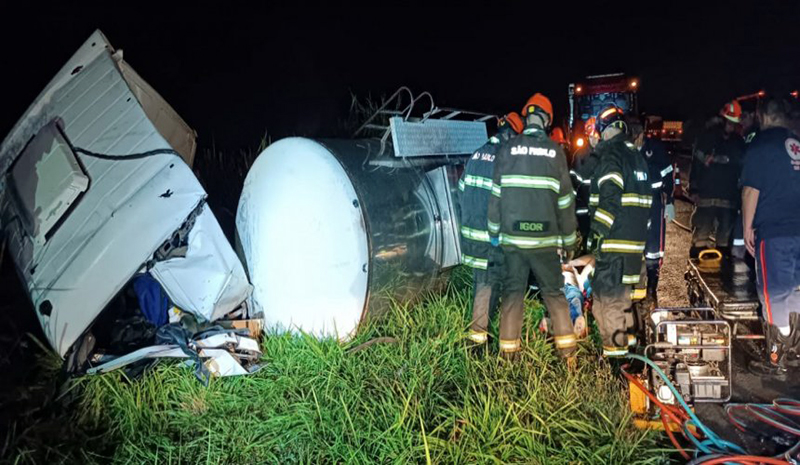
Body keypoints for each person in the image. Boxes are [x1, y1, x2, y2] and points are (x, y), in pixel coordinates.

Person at [487, 93, 578, 362]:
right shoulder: (555, 153)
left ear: (526, 117)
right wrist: (569, 242)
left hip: (513, 243)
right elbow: (565, 203)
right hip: (545, 243)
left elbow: (496, 198)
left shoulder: (506, 150)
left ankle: (508, 359)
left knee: (512, 296)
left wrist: (494, 233)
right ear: (547, 120)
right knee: (555, 296)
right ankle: (568, 358)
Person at [741, 97, 800, 377]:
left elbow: (751, 191)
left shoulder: (761, 145)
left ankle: (776, 358)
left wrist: (747, 228)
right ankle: (795, 351)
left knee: (773, 293)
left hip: (775, 232)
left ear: (763, 117)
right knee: (796, 291)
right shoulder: (798, 144)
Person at [587, 105, 652, 357]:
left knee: (609, 306)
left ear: (604, 129)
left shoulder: (611, 156)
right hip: (634, 250)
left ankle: (618, 367)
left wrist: (595, 236)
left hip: (614, 248)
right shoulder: (636, 156)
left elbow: (609, 201)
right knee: (627, 305)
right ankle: (633, 354)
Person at [460, 113, 524, 349]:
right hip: (494, 240)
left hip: (473, 238)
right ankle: (509, 349)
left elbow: (461, 189)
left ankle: (477, 342)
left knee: (484, 286)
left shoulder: (477, 154)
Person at [689, 101, 745, 258]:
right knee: (701, 236)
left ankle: (722, 275)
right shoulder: (707, 137)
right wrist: (694, 189)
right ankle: (696, 270)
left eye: (734, 123)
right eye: (729, 122)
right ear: (722, 120)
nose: (731, 126)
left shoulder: (738, 142)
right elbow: (696, 164)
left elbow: (741, 167)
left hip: (728, 197)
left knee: (724, 241)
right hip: (706, 194)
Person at [629, 118, 675, 307]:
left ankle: (651, 290)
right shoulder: (625, 152)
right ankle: (633, 290)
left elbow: (668, 175)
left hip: (654, 204)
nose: (635, 141)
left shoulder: (655, 150)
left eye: (637, 136)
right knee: (632, 248)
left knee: (653, 250)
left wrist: (670, 200)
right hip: (631, 206)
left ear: (642, 134)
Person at [570, 117, 601, 249]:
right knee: (586, 244)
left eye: (597, 137)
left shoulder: (607, 155)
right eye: (592, 137)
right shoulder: (579, 156)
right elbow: (572, 186)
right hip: (583, 211)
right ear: (587, 136)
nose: (595, 140)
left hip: (601, 212)